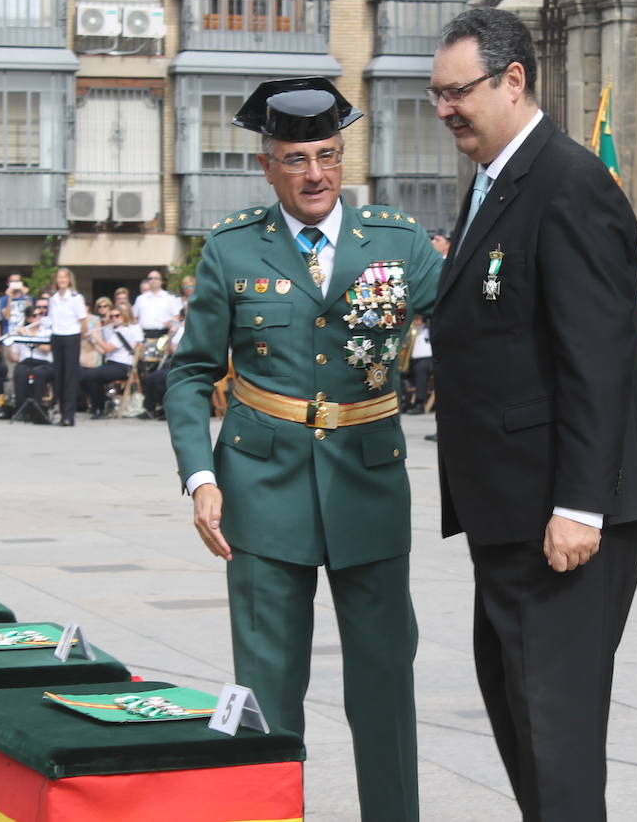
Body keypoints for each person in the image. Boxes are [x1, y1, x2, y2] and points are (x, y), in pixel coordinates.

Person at [166, 76, 443, 822]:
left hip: (369, 483)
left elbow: (484, 325)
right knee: (267, 688)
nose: (315, 174)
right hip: (260, 488)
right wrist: (200, 476)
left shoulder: (397, 241)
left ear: (343, 156)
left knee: (384, 682)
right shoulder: (230, 250)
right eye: (296, 159)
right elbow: (191, 373)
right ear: (267, 167)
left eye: (327, 155)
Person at [427, 8, 637, 822]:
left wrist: (579, 504)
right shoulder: (496, 180)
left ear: (514, 79)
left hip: (558, 514)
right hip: (510, 508)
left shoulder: (568, 183)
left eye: (458, 92)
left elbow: (597, 358)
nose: (445, 110)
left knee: (555, 730)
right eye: (437, 95)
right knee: (519, 715)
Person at [81, 302, 142, 417]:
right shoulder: (115, 332)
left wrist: (96, 336)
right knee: (85, 377)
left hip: (123, 366)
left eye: (117, 316)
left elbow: (108, 348)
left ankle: (101, 405)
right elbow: (103, 351)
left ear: (124, 316)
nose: (114, 318)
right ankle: (103, 403)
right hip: (112, 364)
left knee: (90, 376)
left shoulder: (125, 330)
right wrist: (91, 340)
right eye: (112, 316)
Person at [48, 267, 87, 426]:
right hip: (57, 337)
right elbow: (51, 319)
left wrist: (80, 338)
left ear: (69, 280)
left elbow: (83, 321)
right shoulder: (53, 298)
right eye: (59, 277)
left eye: (64, 277)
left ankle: (69, 415)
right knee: (59, 376)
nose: (61, 280)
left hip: (71, 336)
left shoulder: (76, 297)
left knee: (70, 376)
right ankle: (61, 412)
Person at [7, 302, 55, 419]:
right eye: (35, 316)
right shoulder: (21, 332)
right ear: (28, 319)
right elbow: (14, 358)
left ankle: (36, 409)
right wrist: (10, 340)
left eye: (40, 315)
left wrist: (29, 337)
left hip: (44, 363)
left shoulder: (46, 332)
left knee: (38, 373)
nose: (38, 318)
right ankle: (21, 409)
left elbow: (47, 349)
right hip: (25, 362)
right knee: (19, 372)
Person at [132, 270, 182, 338]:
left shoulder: (170, 297)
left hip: (164, 335)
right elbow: (134, 318)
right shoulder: (140, 299)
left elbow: (177, 316)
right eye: (150, 278)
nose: (153, 280)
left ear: (161, 281)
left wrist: (172, 328)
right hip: (144, 335)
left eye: (156, 278)